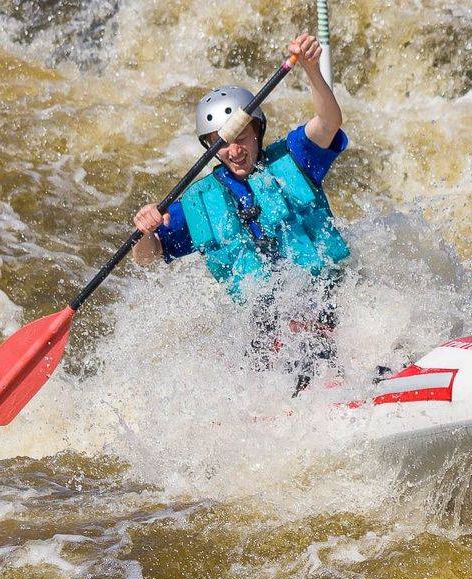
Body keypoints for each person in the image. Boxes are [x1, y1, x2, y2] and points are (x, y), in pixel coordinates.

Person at [131, 34, 349, 391]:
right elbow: (147, 259)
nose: (234, 151)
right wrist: (146, 232)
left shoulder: (296, 158)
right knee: (268, 347)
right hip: (267, 324)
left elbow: (328, 122)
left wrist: (311, 70)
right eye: (221, 143)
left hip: (326, 296)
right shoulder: (200, 204)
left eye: (242, 137)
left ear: (258, 132)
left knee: (322, 328)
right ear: (209, 148)